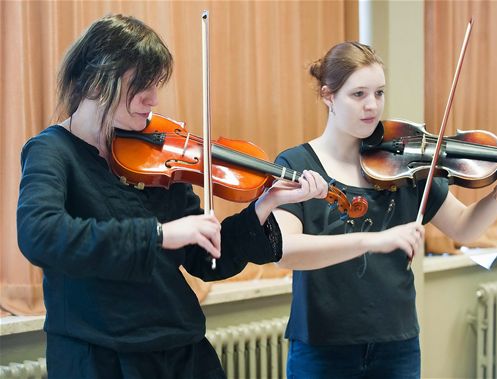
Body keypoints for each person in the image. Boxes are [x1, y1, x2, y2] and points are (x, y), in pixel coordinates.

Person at [16, 14, 329, 379]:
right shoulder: (51, 151)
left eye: (156, 84)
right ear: (98, 80)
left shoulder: (160, 153)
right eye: (141, 85)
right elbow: (40, 235)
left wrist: (265, 204)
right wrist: (160, 234)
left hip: (181, 351)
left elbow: (205, 260)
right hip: (100, 358)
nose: (153, 99)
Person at [273, 41, 497, 379]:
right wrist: (374, 240)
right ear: (329, 96)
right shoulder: (296, 164)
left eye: (379, 93)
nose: (372, 105)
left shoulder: (403, 163)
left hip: (396, 346)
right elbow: (286, 252)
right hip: (322, 349)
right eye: (358, 95)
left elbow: (464, 228)